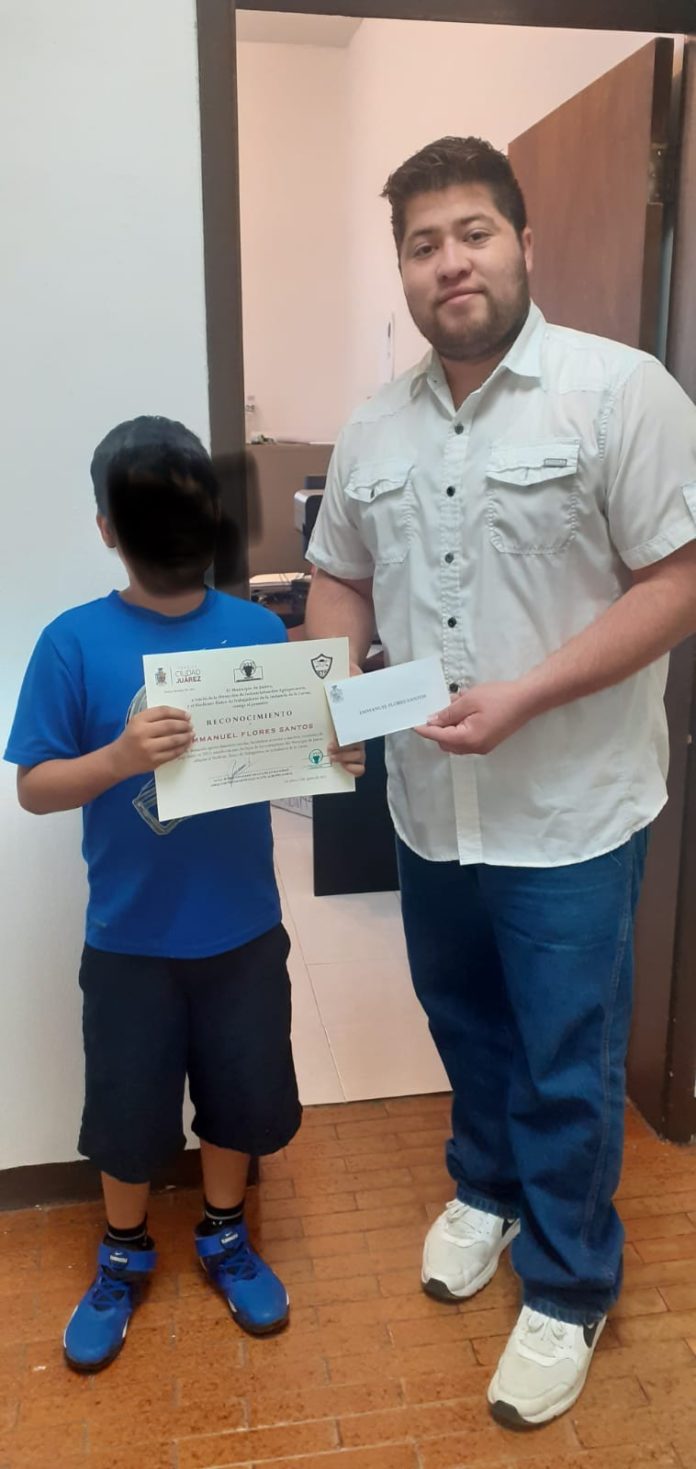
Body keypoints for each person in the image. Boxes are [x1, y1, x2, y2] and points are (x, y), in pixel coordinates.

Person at [304, 136, 696, 1427]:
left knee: (569, 1050)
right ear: (405, 272)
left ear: (524, 242)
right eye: (423, 245)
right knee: (464, 1013)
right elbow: (340, 572)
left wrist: (527, 693)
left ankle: (570, 1282)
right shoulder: (374, 426)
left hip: (570, 812)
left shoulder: (618, 392)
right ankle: (488, 1185)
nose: (450, 262)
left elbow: (679, 578)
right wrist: (329, 687)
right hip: (431, 808)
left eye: (472, 232)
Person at [4, 416, 364, 1373]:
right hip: (129, 938)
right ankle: (122, 1253)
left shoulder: (257, 631)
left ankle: (224, 1233)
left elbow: (301, 753)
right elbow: (34, 786)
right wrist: (119, 757)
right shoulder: (71, 643)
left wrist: (335, 753)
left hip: (243, 929)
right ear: (106, 529)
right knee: (128, 1112)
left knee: (241, 1098)